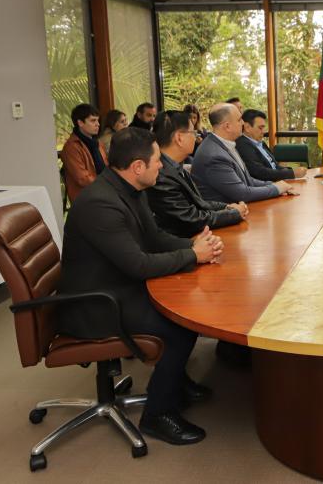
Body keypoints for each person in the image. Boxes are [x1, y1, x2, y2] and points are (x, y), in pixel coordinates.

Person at [56, 127, 224, 446]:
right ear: (137, 167)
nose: (162, 165)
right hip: (95, 303)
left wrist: (196, 246)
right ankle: (157, 415)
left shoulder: (130, 189)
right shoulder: (100, 204)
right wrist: (191, 255)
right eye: (157, 160)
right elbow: (138, 264)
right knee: (179, 326)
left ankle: (175, 381)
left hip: (116, 285)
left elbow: (154, 239)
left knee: (185, 307)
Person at [146, 109, 248, 238]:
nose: (196, 137)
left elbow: (200, 203)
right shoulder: (160, 175)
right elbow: (191, 219)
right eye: (193, 132)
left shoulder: (176, 167)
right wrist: (234, 214)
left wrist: (227, 207)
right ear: (179, 138)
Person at [191, 103, 293, 203]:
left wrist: (277, 185)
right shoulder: (214, 155)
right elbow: (243, 194)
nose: (243, 123)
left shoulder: (226, 144)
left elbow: (249, 181)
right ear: (227, 126)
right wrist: (277, 189)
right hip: (227, 215)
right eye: (239, 120)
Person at [237, 109, 307, 182]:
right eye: (260, 128)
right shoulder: (242, 145)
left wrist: (293, 171)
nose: (263, 132)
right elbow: (260, 173)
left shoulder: (261, 143)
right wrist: (292, 173)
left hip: (277, 182)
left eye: (264, 128)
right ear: (247, 127)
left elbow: (274, 166)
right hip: (266, 187)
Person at [61, 103, 108, 203]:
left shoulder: (97, 142)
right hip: (86, 198)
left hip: (102, 191)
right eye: (93, 120)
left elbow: (106, 166)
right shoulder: (71, 147)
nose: (98, 124)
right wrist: (107, 184)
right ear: (80, 123)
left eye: (98, 120)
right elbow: (82, 178)